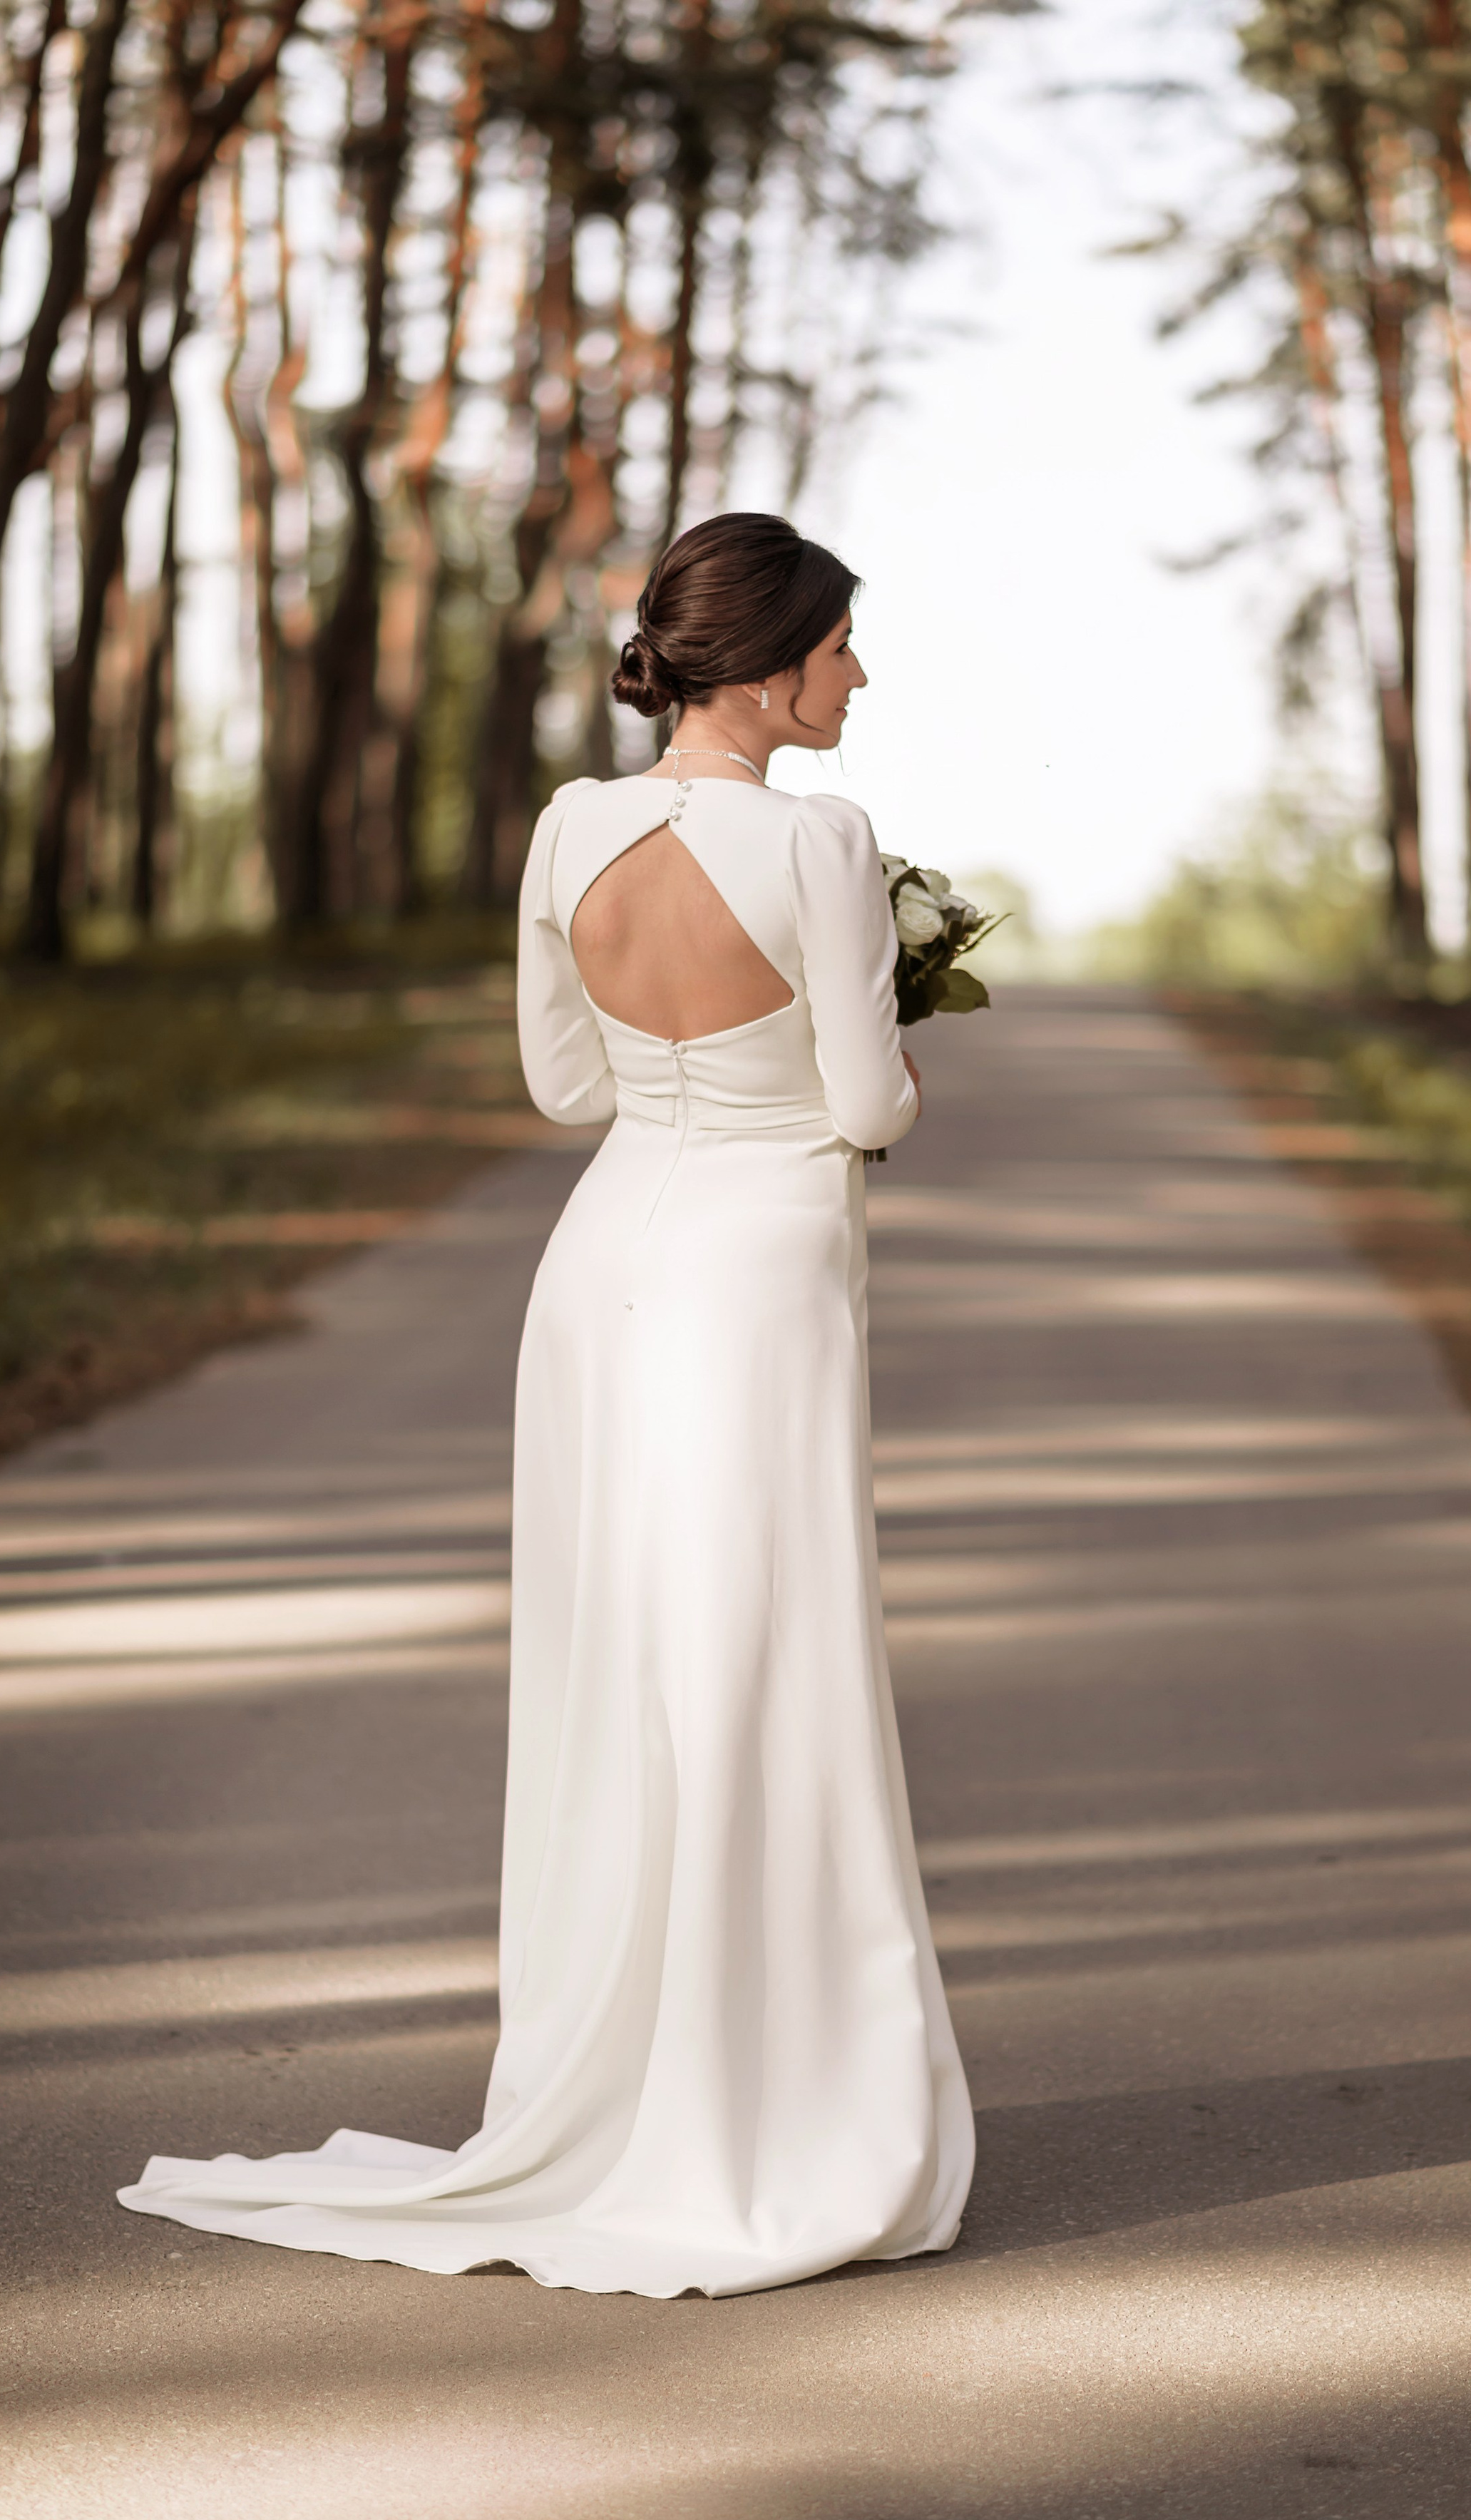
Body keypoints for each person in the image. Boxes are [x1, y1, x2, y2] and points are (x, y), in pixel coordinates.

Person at [118, 512, 975, 2298]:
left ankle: (616, 2085)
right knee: (762, 1672)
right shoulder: (818, 838)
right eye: (840, 647)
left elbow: (561, 1082)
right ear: (765, 659)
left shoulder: (571, 827)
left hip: (601, 1272)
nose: (859, 677)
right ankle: (768, 2107)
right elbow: (867, 1108)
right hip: (752, 1276)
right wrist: (892, 1013)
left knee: (621, 1675)